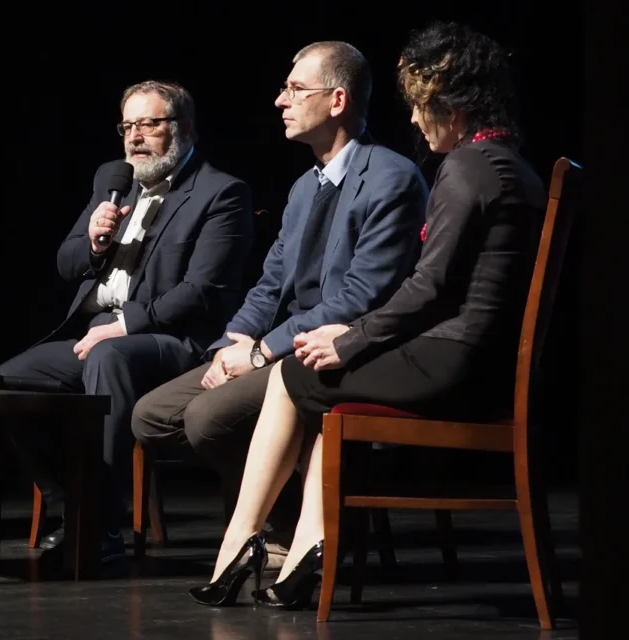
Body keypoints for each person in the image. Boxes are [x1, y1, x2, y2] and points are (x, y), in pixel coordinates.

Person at [189, 21, 547, 608]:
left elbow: (429, 289)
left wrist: (351, 340)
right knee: (319, 384)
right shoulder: (508, 162)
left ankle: (245, 542)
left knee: (295, 373)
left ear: (450, 101)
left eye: (419, 105)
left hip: (454, 360)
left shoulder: (469, 167)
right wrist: (349, 338)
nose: (410, 119)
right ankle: (306, 552)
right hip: (476, 357)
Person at [131, 41, 428, 560]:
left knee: (207, 419)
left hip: (333, 351)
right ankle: (291, 516)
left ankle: (291, 531)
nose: (279, 100)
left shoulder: (391, 178)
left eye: (295, 89)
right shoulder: (303, 188)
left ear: (337, 101)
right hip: (281, 344)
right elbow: (270, 285)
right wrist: (230, 345)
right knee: (153, 414)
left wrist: (260, 352)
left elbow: (362, 297)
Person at [0, 80, 255, 562]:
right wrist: (94, 241)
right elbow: (66, 263)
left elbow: (203, 292)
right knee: (3, 382)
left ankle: (101, 528)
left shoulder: (221, 193)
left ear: (184, 128)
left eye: (150, 124)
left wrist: (126, 325)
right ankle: (68, 504)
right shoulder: (113, 184)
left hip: (175, 342)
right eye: (128, 126)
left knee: (111, 356)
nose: (135, 137)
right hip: (99, 335)